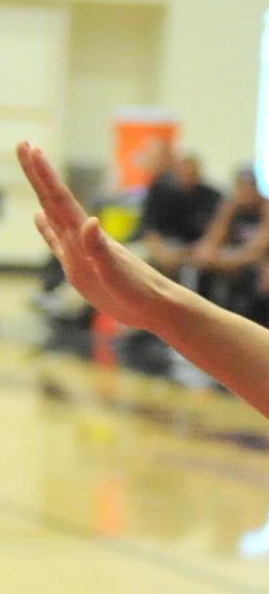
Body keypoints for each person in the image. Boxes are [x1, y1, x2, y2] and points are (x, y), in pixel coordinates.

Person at [22, 143, 269, 419]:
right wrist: (159, 298)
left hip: (215, 261)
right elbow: (173, 236)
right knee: (121, 260)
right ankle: (63, 303)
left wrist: (159, 303)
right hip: (167, 252)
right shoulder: (180, 196)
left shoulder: (220, 198)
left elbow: (253, 249)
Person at [189, 164, 269, 311]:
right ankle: (202, 314)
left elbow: (257, 251)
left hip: (259, 264)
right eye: (241, 188)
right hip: (236, 261)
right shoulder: (231, 207)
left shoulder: (265, 209)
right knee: (201, 266)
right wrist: (226, 213)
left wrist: (222, 260)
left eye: (249, 188)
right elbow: (211, 240)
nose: (245, 193)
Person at [134, 150, 222, 281]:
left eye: (191, 174)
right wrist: (161, 253)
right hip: (166, 244)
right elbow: (149, 229)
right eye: (183, 173)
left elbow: (218, 226)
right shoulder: (160, 193)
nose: (187, 177)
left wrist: (205, 247)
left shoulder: (211, 196)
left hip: (197, 246)